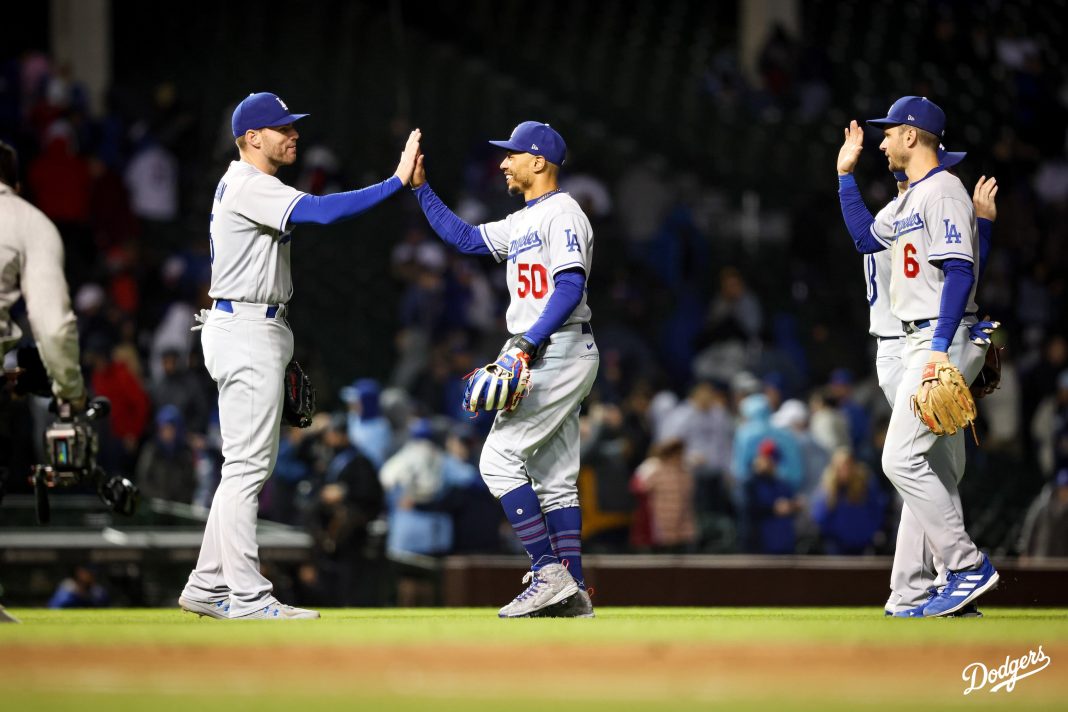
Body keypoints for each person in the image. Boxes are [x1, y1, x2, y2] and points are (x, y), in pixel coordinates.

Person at [178, 92, 421, 620]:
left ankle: (205, 582)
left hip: (247, 323)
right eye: (280, 127)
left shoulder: (247, 183)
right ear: (250, 138)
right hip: (246, 325)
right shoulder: (249, 183)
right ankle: (247, 594)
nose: (293, 134)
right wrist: (395, 182)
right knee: (246, 468)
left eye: (293, 126)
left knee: (242, 467)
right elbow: (323, 212)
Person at [410, 121, 598, 617]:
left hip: (553, 347)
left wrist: (526, 346)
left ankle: (547, 571)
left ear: (539, 162)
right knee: (555, 479)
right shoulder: (523, 219)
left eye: (512, 154)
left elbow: (569, 286)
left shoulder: (563, 214)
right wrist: (421, 189)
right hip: (552, 348)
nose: (503, 162)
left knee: (496, 461)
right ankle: (574, 590)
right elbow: (467, 239)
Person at [836, 96, 999, 617]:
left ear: (912, 135)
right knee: (932, 467)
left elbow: (960, 272)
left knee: (900, 458)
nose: (882, 141)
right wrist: (845, 175)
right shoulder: (910, 202)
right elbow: (865, 237)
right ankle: (914, 589)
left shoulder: (944, 191)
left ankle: (966, 565)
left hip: (934, 339)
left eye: (889, 133)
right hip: (916, 339)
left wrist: (937, 350)